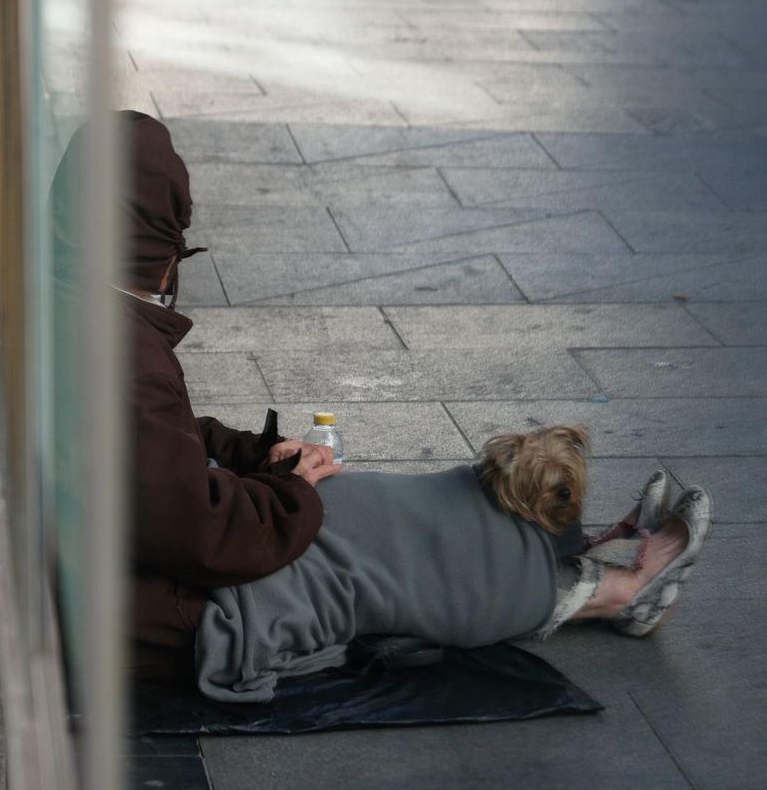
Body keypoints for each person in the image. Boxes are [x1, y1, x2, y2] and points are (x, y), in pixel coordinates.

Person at [53, 112, 711, 700]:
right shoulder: (117, 345)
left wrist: (253, 455)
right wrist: (286, 490)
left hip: (132, 575)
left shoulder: (75, 307)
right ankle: (616, 589)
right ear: (159, 244)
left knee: (374, 511)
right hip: (165, 611)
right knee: (376, 558)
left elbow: (144, 443)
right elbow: (198, 532)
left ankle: (566, 556)